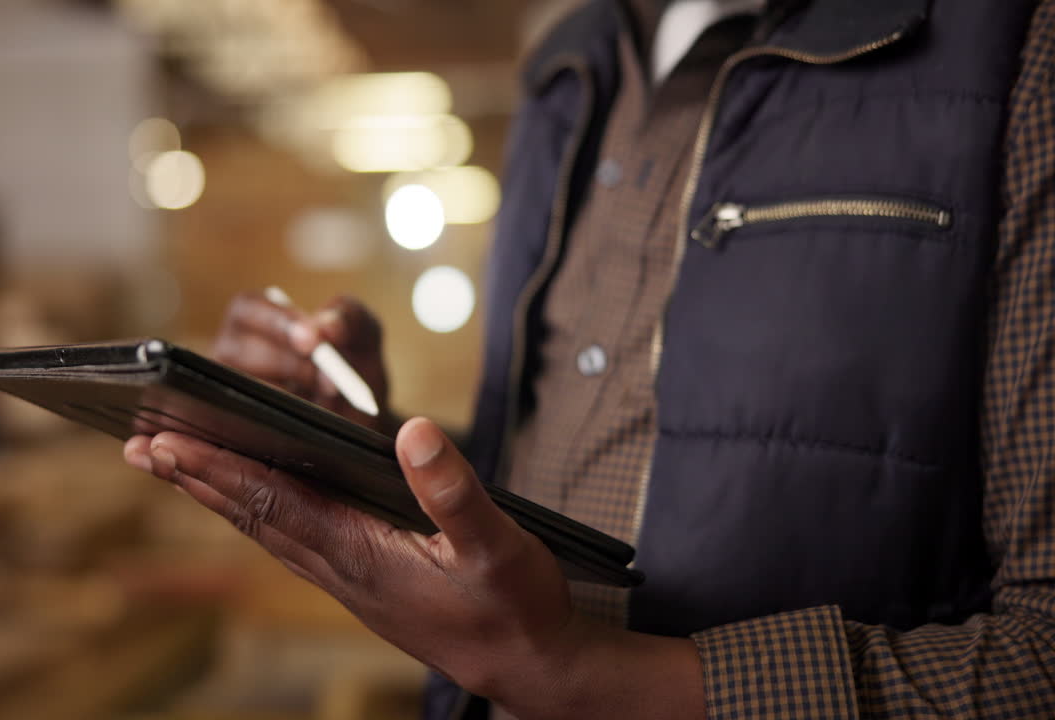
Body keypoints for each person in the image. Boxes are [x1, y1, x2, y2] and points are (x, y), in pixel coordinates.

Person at [125, 0, 1055, 717]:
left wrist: (587, 680)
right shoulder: (568, 67)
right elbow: (551, 460)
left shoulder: (1014, 49)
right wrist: (357, 437)